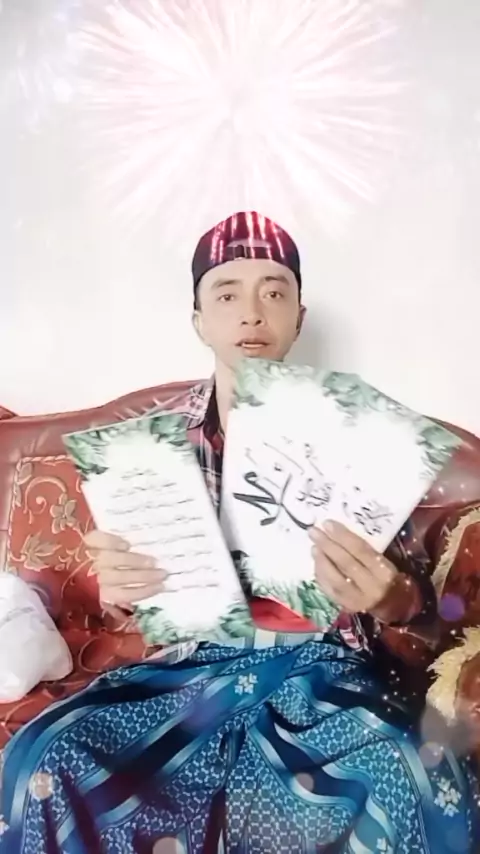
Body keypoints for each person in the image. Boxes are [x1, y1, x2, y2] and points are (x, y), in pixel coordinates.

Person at [0, 212, 478, 854]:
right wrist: (121, 590)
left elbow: (428, 612)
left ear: (299, 317)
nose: (252, 313)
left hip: (326, 671)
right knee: (50, 757)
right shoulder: (150, 449)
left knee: (405, 770)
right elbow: (133, 604)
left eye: (274, 292)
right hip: (188, 671)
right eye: (227, 295)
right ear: (199, 319)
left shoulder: (367, 437)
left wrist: (394, 599)